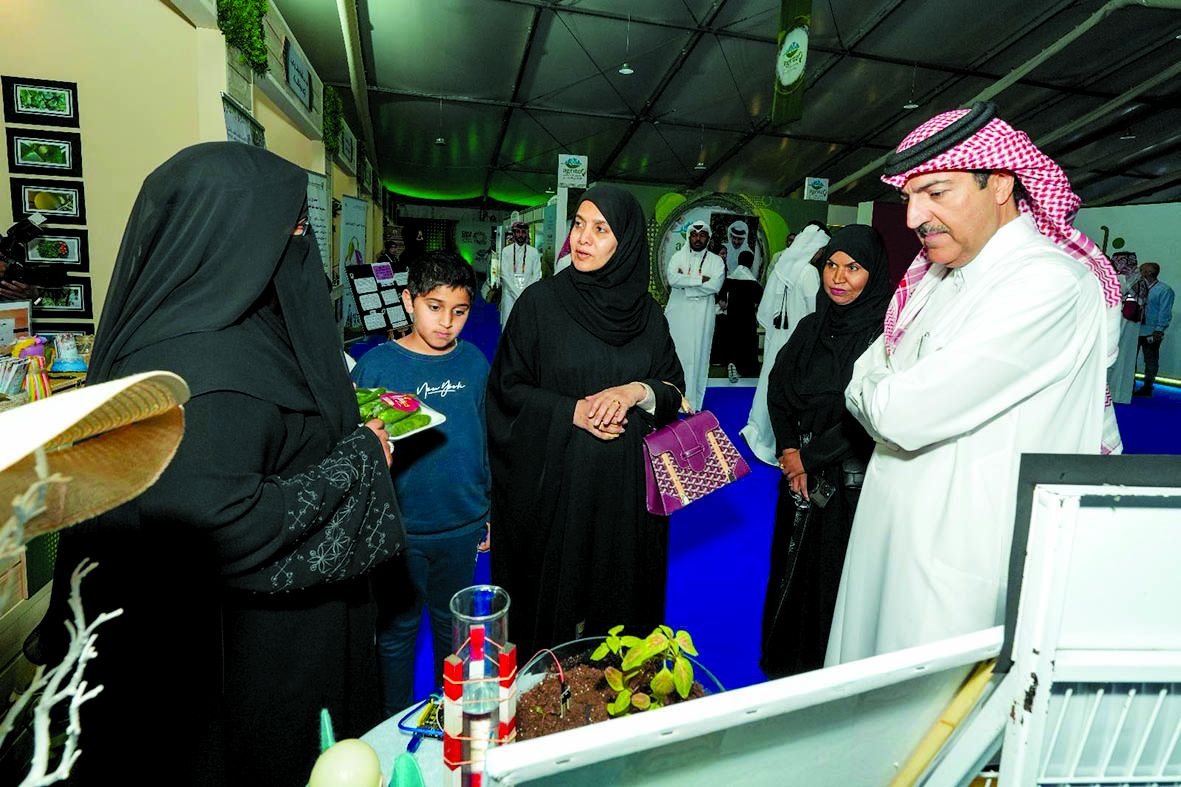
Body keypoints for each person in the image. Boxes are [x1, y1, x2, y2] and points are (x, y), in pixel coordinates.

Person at [30, 143, 406, 785]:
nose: (302, 245)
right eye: (289, 228)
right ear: (232, 236)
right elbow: (222, 522)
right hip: (251, 676)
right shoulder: (212, 377)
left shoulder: (173, 336)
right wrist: (361, 457)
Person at [827, 101, 1122, 665]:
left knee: (935, 734)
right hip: (892, 536)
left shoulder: (1047, 283)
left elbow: (898, 412)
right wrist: (880, 386)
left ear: (1002, 184)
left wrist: (880, 386)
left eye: (936, 193)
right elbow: (868, 376)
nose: (914, 218)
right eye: (910, 197)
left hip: (960, 563)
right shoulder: (942, 276)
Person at [486, 185, 684, 658]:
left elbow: (674, 391)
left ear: (626, 242)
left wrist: (635, 391)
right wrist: (570, 411)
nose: (583, 238)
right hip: (558, 492)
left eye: (600, 229)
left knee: (618, 617)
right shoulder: (539, 305)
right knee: (556, 616)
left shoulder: (649, 316)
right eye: (578, 224)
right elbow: (505, 392)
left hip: (627, 498)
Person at [351, 250, 490, 716]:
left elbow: (485, 437)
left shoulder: (473, 363)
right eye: (435, 307)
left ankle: (446, 717)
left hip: (461, 524)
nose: (447, 322)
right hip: (399, 529)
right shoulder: (377, 367)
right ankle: (390, 722)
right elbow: (360, 454)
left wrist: (488, 511)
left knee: (453, 634)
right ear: (410, 301)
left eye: (460, 311)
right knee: (395, 634)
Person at [761, 225, 891, 678]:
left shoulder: (886, 337)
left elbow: (869, 418)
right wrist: (788, 449)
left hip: (850, 480)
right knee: (792, 571)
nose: (838, 277)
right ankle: (787, 665)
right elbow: (778, 391)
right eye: (831, 265)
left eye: (853, 268)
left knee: (835, 576)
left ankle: (831, 673)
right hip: (799, 472)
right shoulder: (811, 327)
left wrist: (808, 460)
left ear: (872, 275)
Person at [742, 223, 831, 465]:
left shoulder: (783, 268)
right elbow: (814, 313)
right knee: (789, 391)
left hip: (777, 338)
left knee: (771, 384)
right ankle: (781, 443)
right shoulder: (809, 273)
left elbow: (767, 309)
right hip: (797, 339)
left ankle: (760, 433)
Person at [665, 220, 725, 410]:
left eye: (702, 235)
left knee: (699, 356)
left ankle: (693, 402)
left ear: (707, 238)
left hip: (703, 316)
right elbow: (673, 279)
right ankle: (673, 399)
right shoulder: (677, 257)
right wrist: (701, 280)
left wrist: (687, 285)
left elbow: (715, 286)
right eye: (694, 235)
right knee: (677, 355)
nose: (697, 239)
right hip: (679, 315)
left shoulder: (716, 261)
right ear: (689, 236)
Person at [713, 250, 763, 382]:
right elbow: (760, 298)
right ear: (751, 263)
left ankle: (731, 364)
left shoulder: (730, 278)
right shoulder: (752, 282)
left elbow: (720, 296)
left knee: (733, 341)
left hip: (732, 317)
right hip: (747, 318)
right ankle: (744, 370)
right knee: (746, 343)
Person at [1133, 262, 1174, 397]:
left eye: (1142, 270)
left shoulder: (1164, 290)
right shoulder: (1137, 287)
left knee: (1150, 359)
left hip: (1151, 330)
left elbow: (1165, 311)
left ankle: (1148, 386)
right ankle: (1129, 383)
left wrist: (1159, 329)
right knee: (1130, 358)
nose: (1139, 271)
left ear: (1149, 273)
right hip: (1135, 328)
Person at [1108, 251, 1142, 403]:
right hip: (1130, 321)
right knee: (1124, 356)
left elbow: (1118, 295)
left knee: (1115, 354)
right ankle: (1119, 393)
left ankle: (1113, 392)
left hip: (1122, 320)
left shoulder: (1125, 278)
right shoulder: (1138, 279)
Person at [499, 220, 541, 329]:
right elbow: (504, 275)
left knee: (525, 324)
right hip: (509, 294)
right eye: (518, 232)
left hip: (527, 294)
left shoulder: (533, 252)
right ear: (513, 234)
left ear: (527, 233)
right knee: (508, 323)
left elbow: (536, 275)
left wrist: (525, 293)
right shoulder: (506, 251)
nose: (520, 235)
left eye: (523, 232)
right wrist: (516, 293)